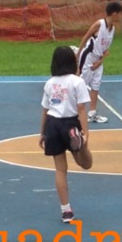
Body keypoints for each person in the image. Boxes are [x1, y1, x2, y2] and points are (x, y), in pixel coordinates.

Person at [40, 45, 93, 223]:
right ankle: (78, 142)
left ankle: (66, 211)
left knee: (60, 170)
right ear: (73, 62)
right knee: (86, 163)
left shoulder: (49, 83)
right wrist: (85, 132)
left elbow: (45, 110)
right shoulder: (77, 82)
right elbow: (81, 108)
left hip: (53, 125)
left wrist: (42, 133)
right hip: (70, 122)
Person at [76, 1, 122, 124]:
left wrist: (100, 61)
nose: (120, 16)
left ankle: (92, 114)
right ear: (114, 13)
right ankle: (72, 113)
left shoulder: (112, 29)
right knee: (80, 84)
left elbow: (106, 48)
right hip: (88, 57)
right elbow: (85, 37)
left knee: (96, 86)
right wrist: (77, 56)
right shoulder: (99, 24)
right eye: (119, 14)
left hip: (98, 60)